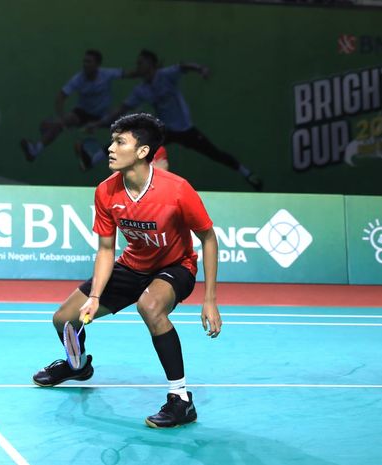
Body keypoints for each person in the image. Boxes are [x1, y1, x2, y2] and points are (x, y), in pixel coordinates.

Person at [32, 113, 222, 428]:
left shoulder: (176, 190)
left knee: (149, 306)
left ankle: (181, 400)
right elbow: (107, 249)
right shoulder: (106, 191)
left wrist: (210, 299)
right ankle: (77, 365)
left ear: (143, 151)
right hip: (132, 265)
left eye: (120, 142)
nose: (110, 148)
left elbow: (208, 238)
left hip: (176, 266)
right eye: (112, 141)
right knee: (64, 319)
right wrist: (94, 296)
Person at [79, 49, 262, 190]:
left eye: (141, 63)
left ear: (151, 64)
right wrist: (96, 124)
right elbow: (121, 109)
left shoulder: (166, 75)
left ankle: (248, 174)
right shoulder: (141, 89)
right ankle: (92, 161)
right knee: (126, 138)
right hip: (165, 131)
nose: (138, 66)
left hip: (186, 130)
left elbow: (183, 66)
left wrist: (200, 69)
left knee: (214, 153)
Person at [20, 49, 134, 162]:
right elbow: (61, 96)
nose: (85, 64)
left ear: (97, 64)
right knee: (61, 123)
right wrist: (61, 118)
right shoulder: (78, 78)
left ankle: (96, 158)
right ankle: (36, 149)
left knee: (128, 128)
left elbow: (127, 74)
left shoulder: (107, 74)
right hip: (82, 113)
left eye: (89, 62)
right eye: (84, 61)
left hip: (103, 114)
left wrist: (143, 72)